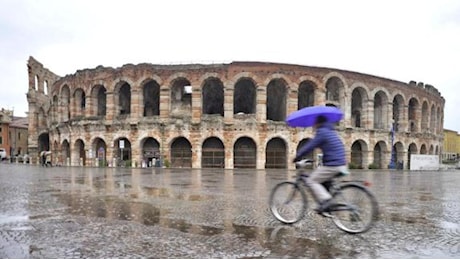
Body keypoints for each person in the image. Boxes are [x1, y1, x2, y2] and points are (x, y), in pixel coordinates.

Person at [293, 115, 348, 213]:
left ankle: (327, 202)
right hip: (341, 162)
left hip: (333, 164)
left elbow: (310, 146)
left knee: (311, 181)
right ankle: (326, 206)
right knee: (323, 181)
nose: (313, 125)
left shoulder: (322, 132)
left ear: (318, 123)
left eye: (314, 123)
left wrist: (298, 156)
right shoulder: (331, 131)